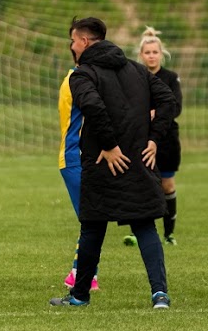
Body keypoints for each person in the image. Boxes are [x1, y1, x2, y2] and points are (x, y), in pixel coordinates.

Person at [50, 17, 177, 310]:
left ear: (84, 41)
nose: (72, 46)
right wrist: (154, 139)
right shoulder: (137, 70)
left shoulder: (82, 75)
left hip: (102, 161)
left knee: (92, 228)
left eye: (73, 41)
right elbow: (167, 100)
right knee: (144, 225)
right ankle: (160, 295)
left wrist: (109, 145)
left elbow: (93, 106)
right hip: (138, 160)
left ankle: (80, 296)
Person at [134, 27, 182, 245]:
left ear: (161, 54)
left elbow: (176, 107)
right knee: (142, 185)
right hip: (141, 138)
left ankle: (168, 234)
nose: (151, 56)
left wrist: (155, 113)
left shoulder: (171, 78)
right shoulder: (135, 77)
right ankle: (140, 232)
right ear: (141, 55)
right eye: (147, 52)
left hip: (166, 140)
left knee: (167, 185)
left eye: (155, 52)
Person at [56, 62, 98, 293]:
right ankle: (81, 275)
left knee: (93, 218)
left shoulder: (77, 77)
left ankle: (80, 273)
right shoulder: (78, 80)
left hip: (80, 157)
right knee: (92, 219)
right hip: (76, 157)